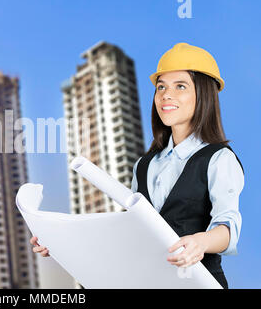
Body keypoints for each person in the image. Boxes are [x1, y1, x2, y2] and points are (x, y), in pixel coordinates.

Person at [30, 42, 244, 289]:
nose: (165, 95)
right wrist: (60, 244)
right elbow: (130, 233)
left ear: (204, 94)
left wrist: (201, 242)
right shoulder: (144, 165)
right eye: (161, 86)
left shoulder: (219, 159)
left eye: (180, 86)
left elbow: (227, 226)